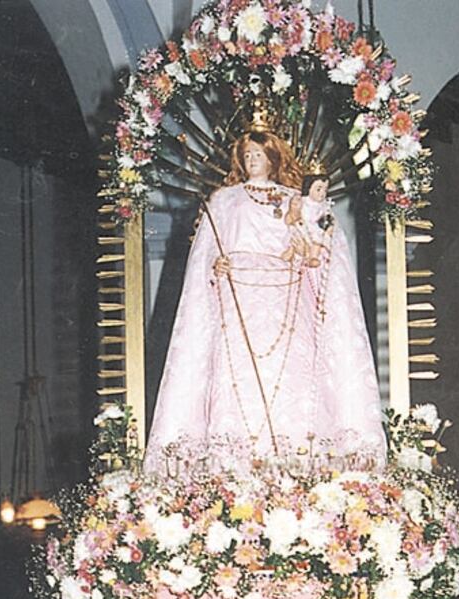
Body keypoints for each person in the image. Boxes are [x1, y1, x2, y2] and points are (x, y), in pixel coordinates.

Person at [144, 128, 385, 475]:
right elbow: (206, 250)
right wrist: (215, 264)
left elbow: (317, 239)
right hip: (238, 295)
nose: (252, 160)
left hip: (287, 297)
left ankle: (299, 460)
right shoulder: (223, 200)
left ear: (273, 158)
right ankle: (231, 466)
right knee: (234, 377)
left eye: (258, 154)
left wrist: (314, 236)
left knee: (294, 375)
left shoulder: (292, 199)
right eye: (247, 155)